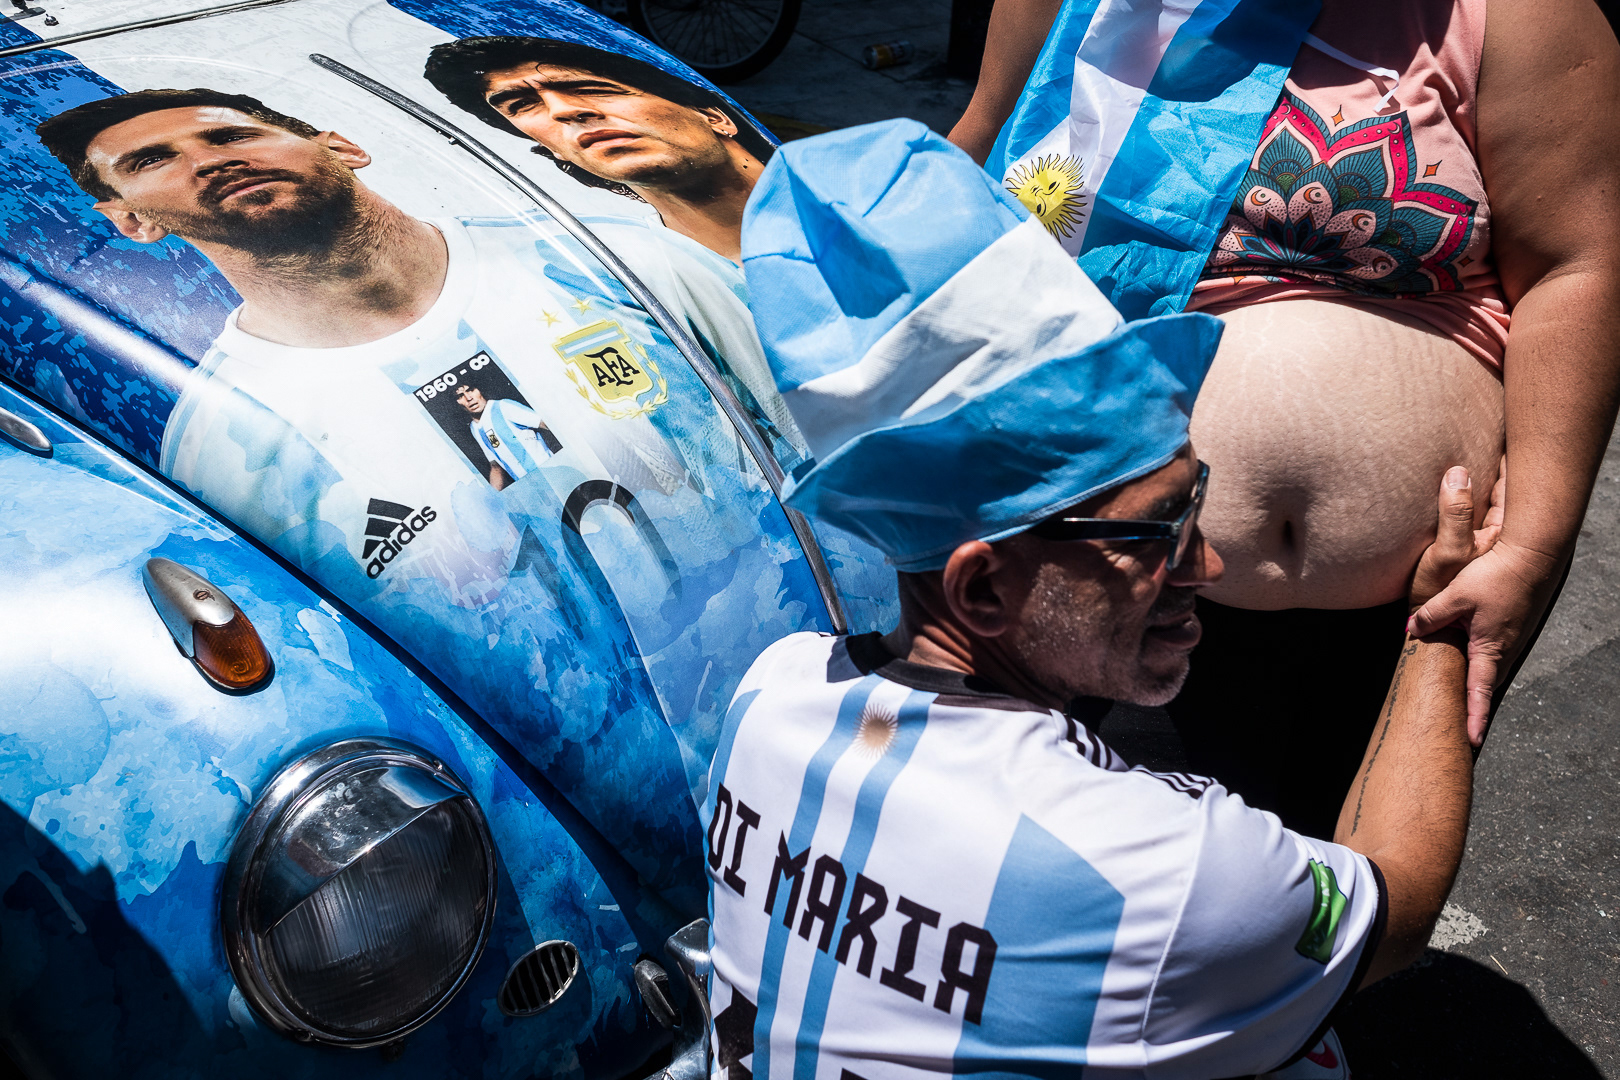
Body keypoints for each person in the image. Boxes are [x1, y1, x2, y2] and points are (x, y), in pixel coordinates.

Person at [707, 119, 1493, 1080]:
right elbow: (1399, 905)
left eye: (1193, 502)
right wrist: (1439, 628)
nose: (1204, 563)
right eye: (1154, 531)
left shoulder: (767, 696)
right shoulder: (1168, 871)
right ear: (982, 585)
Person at [948, 0, 1620, 838]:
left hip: (1371, 611)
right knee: (995, 858)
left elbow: (1576, 266)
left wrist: (1531, 549)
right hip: (1071, 534)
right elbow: (978, 159)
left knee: (1307, 910)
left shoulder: (1520, 17)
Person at [422, 36, 805, 462]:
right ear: (552, 151)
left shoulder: (864, 198)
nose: (563, 110)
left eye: (590, 87)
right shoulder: (619, 288)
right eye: (521, 105)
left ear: (714, 116)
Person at [456, 382, 562, 491]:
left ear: (480, 390)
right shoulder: (474, 428)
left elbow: (547, 424)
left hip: (551, 475)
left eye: (471, 390)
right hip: (531, 488)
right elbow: (495, 466)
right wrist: (493, 497)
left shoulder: (503, 407)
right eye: (460, 396)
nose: (468, 398)